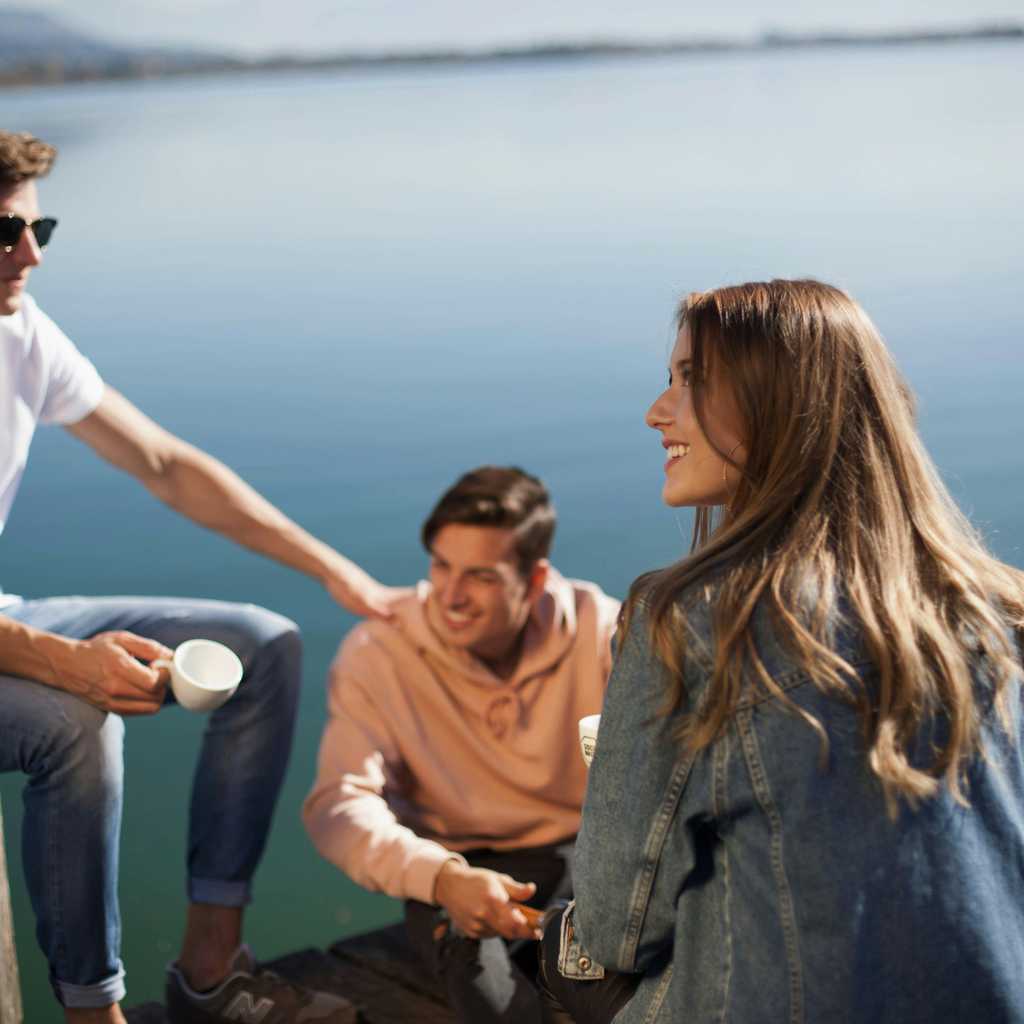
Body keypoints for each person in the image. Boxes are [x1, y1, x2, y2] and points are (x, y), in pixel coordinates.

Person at [537, 279, 1024, 1023]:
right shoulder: (993, 606)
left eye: (692, 380)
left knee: (558, 947)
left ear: (783, 401)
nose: (655, 411)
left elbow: (615, 926)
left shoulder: (693, 620)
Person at [0, 130, 404, 1024]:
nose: (29, 255)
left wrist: (337, 573)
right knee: (75, 723)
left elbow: (163, 464)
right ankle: (90, 1012)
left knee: (263, 646)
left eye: (39, 230)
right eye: (2, 234)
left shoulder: (20, 330)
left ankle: (209, 976)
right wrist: (67, 664)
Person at [303, 466, 620, 1023]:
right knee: (493, 1001)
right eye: (441, 566)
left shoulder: (602, 631)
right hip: (458, 870)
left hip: (588, 852)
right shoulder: (378, 652)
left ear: (536, 579)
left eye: (482, 577)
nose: (450, 596)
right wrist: (442, 877)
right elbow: (338, 806)